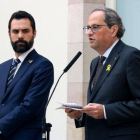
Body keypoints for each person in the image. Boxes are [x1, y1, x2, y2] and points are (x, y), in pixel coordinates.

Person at [65, 7, 140, 140]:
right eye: (87, 28)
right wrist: (81, 115)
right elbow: (98, 106)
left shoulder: (130, 56)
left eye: (95, 27)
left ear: (113, 30)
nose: (88, 32)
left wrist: (106, 111)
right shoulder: (95, 62)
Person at [0, 11, 54, 140]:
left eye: (25, 31)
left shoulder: (43, 65)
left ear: (34, 33)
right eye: (15, 31)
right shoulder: (3, 67)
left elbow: (30, 106)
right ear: (9, 34)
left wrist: (1, 127)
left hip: (25, 136)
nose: (20, 36)